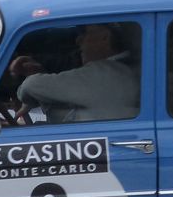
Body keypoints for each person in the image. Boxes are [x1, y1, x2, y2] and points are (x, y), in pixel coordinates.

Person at [9, 24, 139, 123]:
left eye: (84, 33)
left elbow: (31, 85)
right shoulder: (129, 69)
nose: (78, 40)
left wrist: (28, 96)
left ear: (105, 37)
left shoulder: (104, 72)